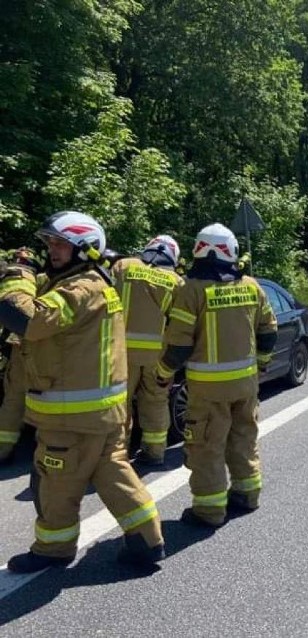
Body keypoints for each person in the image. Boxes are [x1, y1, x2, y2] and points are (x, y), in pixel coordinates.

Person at [0, 211, 165, 573]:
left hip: (70, 418)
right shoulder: (89, 283)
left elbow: (27, 319)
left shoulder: (82, 289)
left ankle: (53, 550)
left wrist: (15, 277)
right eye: (50, 244)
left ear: (85, 248)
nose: (53, 250)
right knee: (113, 474)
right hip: (101, 414)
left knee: (55, 484)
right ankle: (147, 540)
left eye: (61, 244)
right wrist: (24, 269)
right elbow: (44, 289)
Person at [155, 223, 277, 528]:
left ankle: (209, 511)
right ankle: (247, 495)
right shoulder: (250, 286)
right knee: (243, 438)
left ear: (198, 249)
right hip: (246, 385)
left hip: (208, 391)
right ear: (232, 252)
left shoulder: (190, 290)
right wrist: (261, 364)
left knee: (207, 447)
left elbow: (178, 346)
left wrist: (162, 373)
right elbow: (269, 330)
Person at [111, 235, 184, 465]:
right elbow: (180, 322)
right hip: (157, 357)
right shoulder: (176, 281)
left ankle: (117, 456)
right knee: (155, 402)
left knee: (119, 404)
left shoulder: (123, 266)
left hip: (122, 354)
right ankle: (154, 452)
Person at [0, 247, 42, 465]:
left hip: (15, 345)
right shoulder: (31, 279)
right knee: (42, 397)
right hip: (33, 344)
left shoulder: (6, 274)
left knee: (13, 399)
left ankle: (3, 451)